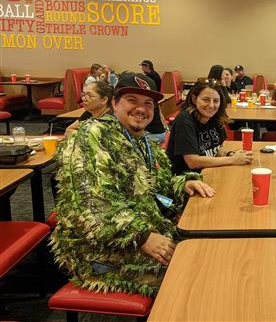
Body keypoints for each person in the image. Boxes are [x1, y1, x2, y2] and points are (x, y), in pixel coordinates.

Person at [49, 73, 216, 296]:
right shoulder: (91, 135)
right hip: (99, 249)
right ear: (114, 103)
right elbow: (91, 205)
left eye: (148, 104)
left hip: (144, 228)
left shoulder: (145, 142)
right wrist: (142, 237)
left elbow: (160, 188)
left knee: (207, 248)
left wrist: (184, 184)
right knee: (194, 270)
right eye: (132, 101)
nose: (141, 109)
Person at [167, 80, 252, 174]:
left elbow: (217, 148)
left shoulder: (214, 117)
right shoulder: (184, 120)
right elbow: (193, 162)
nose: (211, 105)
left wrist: (231, 154)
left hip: (208, 171)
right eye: (206, 100)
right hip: (187, 180)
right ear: (194, 99)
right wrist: (233, 160)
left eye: (216, 101)